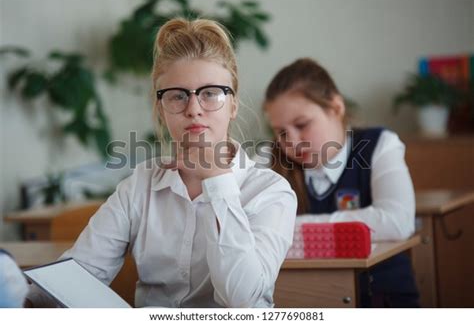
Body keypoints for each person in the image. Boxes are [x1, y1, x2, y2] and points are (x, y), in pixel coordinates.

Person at [26, 18, 297, 308]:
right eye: (177, 96)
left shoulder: (271, 192)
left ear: (233, 105)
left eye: (209, 94)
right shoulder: (140, 185)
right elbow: (80, 272)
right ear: (161, 107)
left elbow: (243, 302)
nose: (194, 109)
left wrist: (217, 179)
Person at [262, 58, 419, 307]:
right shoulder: (269, 160)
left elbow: (398, 221)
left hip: (385, 298)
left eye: (302, 125)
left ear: (335, 107)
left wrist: (289, 226)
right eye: (281, 132)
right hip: (308, 301)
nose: (290, 142)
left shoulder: (380, 144)